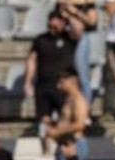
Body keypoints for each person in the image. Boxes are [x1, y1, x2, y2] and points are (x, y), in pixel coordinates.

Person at [27, 9, 81, 150]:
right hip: (43, 84)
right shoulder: (41, 39)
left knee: (65, 117)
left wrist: (69, 15)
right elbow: (32, 60)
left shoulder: (69, 38)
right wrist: (28, 81)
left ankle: (65, 149)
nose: (54, 23)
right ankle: (46, 153)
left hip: (64, 86)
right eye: (53, 19)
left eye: (59, 20)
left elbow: (78, 30)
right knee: (44, 120)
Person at [47, 71, 90, 160]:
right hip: (64, 144)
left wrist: (57, 132)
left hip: (74, 145)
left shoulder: (79, 99)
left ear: (71, 81)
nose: (59, 86)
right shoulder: (68, 99)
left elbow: (80, 124)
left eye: (61, 82)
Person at [55, 0, 99, 106]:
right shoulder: (61, 0)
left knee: (82, 74)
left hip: (82, 36)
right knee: (64, 74)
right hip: (65, 36)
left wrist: (74, 12)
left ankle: (84, 107)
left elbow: (92, 21)